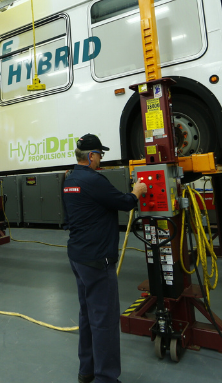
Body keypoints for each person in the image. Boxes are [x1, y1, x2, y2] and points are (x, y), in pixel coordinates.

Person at [62, 134, 147, 383]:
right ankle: (106, 378)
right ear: (90, 156)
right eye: (100, 154)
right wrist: (137, 191)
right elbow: (124, 202)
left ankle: (86, 370)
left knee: (87, 315)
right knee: (105, 321)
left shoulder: (69, 179)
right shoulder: (94, 179)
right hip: (98, 259)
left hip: (78, 257)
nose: (101, 159)